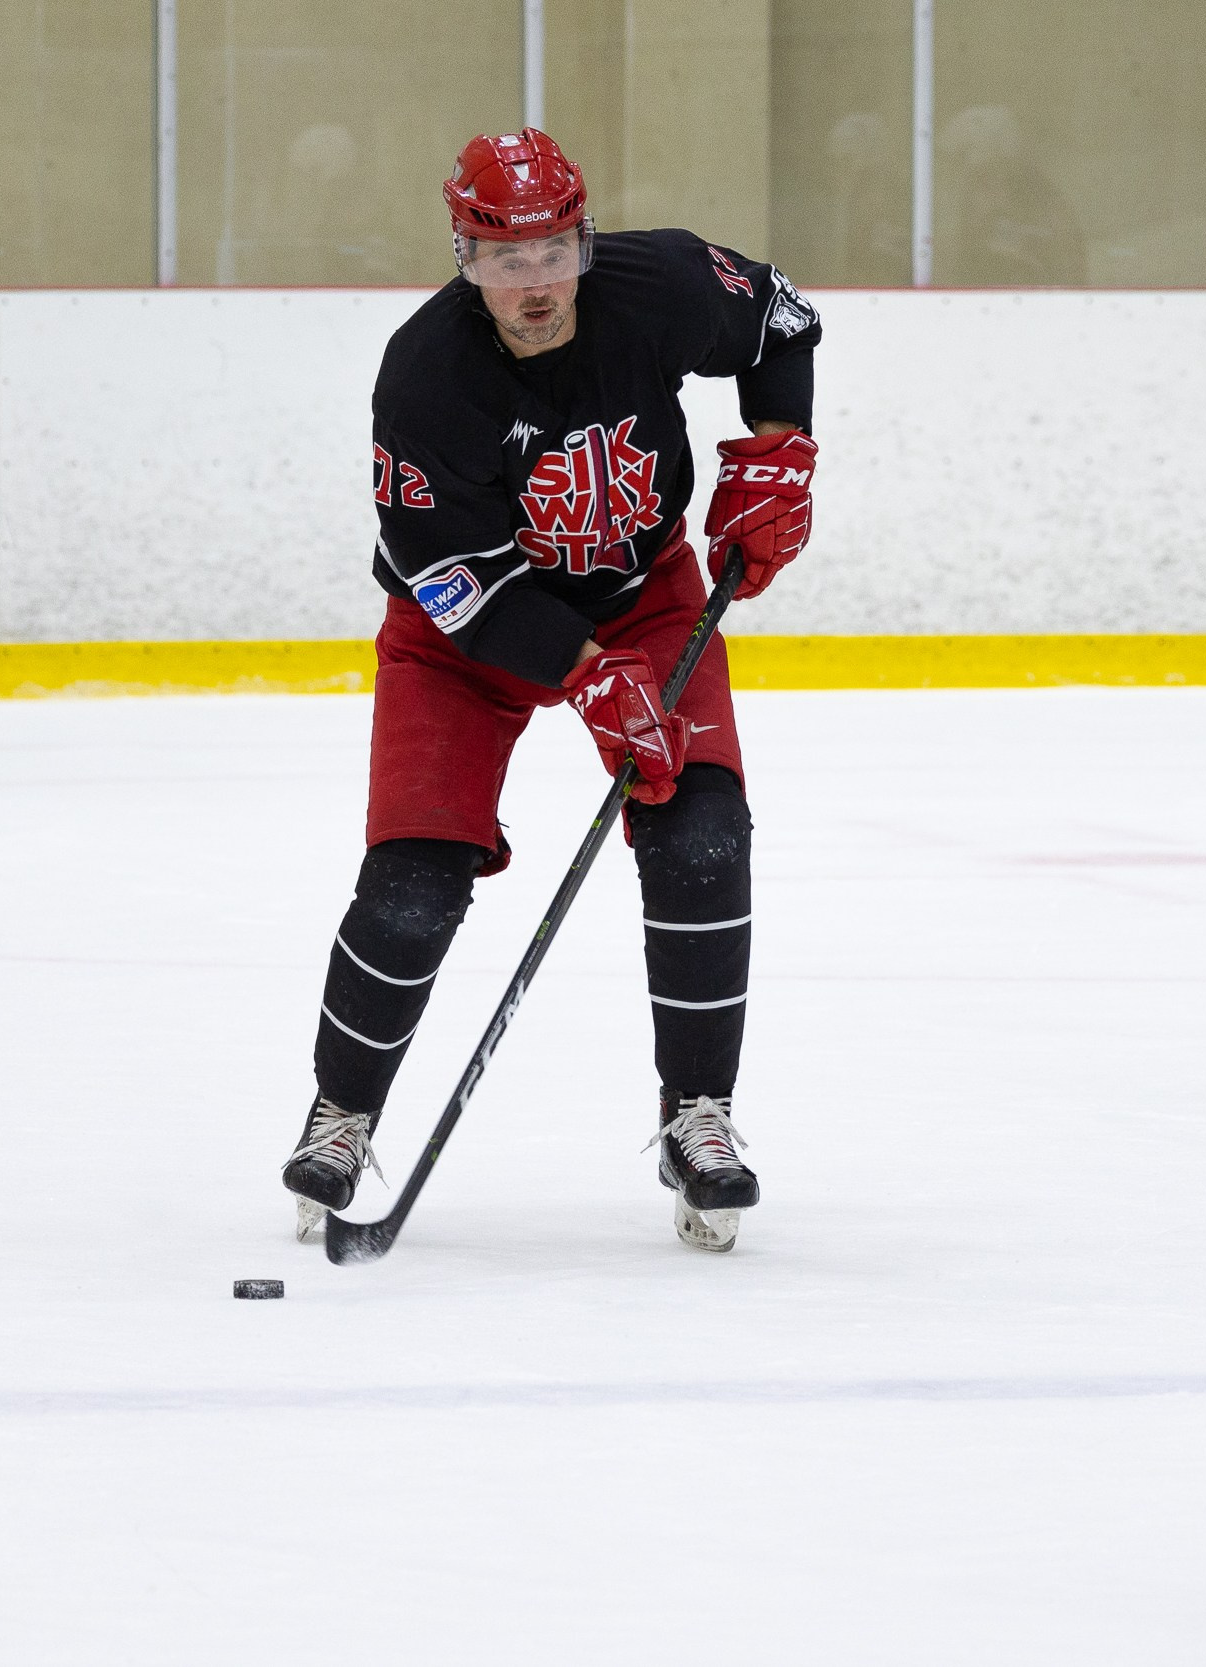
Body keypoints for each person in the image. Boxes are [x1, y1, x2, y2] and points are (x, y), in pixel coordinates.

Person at [278, 129, 822, 1253]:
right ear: (464, 258)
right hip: (461, 639)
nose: (531, 286)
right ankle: (342, 1111)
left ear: (583, 239)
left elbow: (779, 315)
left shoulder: (656, 283)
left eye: (550, 253)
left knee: (703, 834)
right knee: (414, 885)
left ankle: (697, 1117)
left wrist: (778, 450)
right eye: (499, 260)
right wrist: (586, 680)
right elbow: (450, 574)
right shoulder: (427, 372)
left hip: (643, 595)